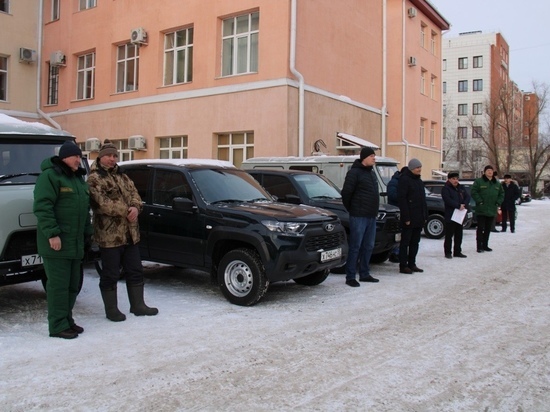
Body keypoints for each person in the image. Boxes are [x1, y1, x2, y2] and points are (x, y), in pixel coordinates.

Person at [87, 141, 158, 321]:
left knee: (135, 270)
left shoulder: (123, 176)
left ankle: (138, 305)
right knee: (110, 274)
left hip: (130, 234)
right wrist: (126, 210)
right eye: (109, 156)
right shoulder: (95, 178)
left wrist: (135, 207)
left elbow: (136, 195)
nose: (112, 159)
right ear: (101, 156)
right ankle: (112, 310)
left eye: (114, 156)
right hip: (109, 236)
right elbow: (101, 204)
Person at [33, 141, 93, 339]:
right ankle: (57, 326)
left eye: (79, 156)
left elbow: (84, 210)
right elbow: (43, 207)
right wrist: (52, 234)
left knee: (72, 285)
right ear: (65, 157)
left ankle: (67, 320)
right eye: (76, 156)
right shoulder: (50, 176)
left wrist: (87, 234)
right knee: (58, 286)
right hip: (57, 243)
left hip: (75, 243)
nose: (79, 160)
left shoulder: (77, 179)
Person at [341, 147, 380, 287]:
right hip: (358, 215)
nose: (374, 158)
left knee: (368, 246)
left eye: (374, 156)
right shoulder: (354, 173)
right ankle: (350, 276)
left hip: (371, 215)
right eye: (371, 156)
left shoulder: (371, 173)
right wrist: (352, 209)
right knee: (355, 246)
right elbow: (346, 194)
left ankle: (364, 273)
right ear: (364, 158)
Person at [397, 158, 427, 274]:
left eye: (420, 167)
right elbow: (402, 200)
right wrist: (406, 218)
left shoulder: (419, 181)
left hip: (418, 217)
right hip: (409, 218)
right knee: (405, 242)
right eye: (417, 167)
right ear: (411, 168)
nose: (419, 169)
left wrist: (425, 216)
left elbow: (422, 201)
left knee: (415, 242)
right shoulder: (404, 180)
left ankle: (412, 263)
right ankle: (403, 265)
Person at [471, 165, 504, 253]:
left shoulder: (496, 183)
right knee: (480, 228)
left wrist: (498, 202)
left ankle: (485, 245)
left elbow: (502, 194)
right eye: (488, 170)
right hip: (481, 209)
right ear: (484, 172)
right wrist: (480, 201)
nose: (490, 172)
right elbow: (473, 192)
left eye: (491, 170)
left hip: (492, 209)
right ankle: (479, 246)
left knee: (488, 228)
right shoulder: (479, 182)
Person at [441, 172, 470, 259]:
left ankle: (457, 251)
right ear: (449, 179)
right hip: (451, 214)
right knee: (449, 235)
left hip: (460, 214)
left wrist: (464, 204)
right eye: (453, 179)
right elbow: (447, 200)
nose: (455, 180)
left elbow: (467, 196)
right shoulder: (446, 188)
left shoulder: (460, 188)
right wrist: (457, 205)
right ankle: (448, 252)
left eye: (457, 178)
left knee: (459, 234)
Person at [386, 169, 402, 263]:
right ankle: (394, 253)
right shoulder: (394, 182)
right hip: (395, 211)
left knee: (400, 233)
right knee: (396, 233)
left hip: (399, 210)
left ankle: (397, 252)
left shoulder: (398, 181)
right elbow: (392, 195)